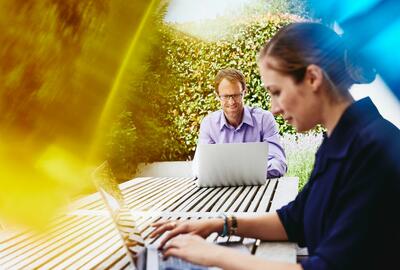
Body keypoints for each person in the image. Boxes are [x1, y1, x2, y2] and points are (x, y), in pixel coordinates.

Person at [150, 22, 400, 270]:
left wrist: (214, 255)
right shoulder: (339, 142)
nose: (274, 108)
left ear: (313, 78)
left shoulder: (375, 150)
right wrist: (219, 223)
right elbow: (294, 220)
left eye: (276, 91)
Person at [198, 68, 287, 178]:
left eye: (236, 95)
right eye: (226, 96)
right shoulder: (209, 124)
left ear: (244, 92)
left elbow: (278, 163)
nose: (231, 102)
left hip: (258, 188)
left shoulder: (264, 119)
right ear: (218, 96)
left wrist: (245, 174)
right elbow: (202, 166)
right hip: (222, 190)